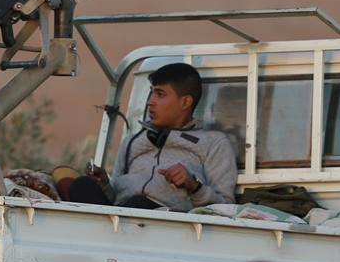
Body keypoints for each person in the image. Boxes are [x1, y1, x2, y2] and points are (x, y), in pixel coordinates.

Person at [70, 62, 236, 211]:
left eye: (160, 94)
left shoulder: (214, 142)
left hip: (166, 222)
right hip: (121, 213)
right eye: (151, 93)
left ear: (185, 102)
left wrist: (194, 186)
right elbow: (114, 198)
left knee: (137, 204)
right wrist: (105, 185)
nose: (150, 102)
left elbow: (226, 207)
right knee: (81, 185)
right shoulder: (132, 142)